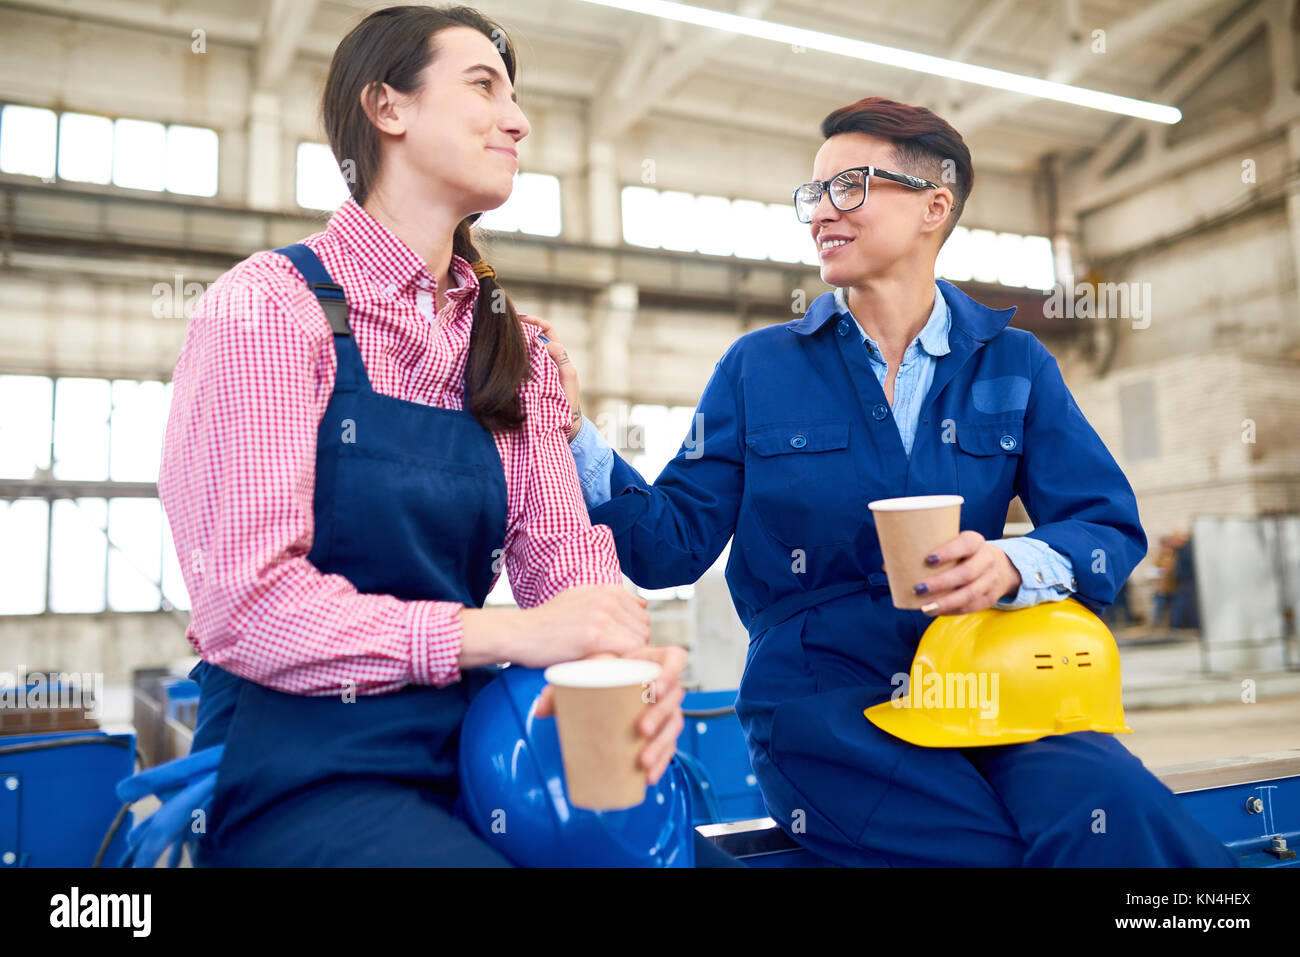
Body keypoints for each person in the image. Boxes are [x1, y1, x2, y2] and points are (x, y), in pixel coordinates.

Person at [526, 97, 1238, 867]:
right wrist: (573, 430)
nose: (821, 213)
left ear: (935, 205)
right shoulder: (758, 368)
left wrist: (1011, 564)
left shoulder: (1015, 364)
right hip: (824, 701)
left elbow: (1106, 525)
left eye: (851, 186)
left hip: (984, 684)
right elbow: (667, 545)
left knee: (1124, 816)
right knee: (982, 853)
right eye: (813, 193)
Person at [158, 4, 730, 866]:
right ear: (388, 108)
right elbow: (248, 609)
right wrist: (501, 636)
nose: (519, 119)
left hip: (479, 749)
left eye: (515, 96)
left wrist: (630, 668)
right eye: (483, 86)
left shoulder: (518, 351)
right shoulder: (269, 309)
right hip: (300, 769)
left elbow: (570, 575)